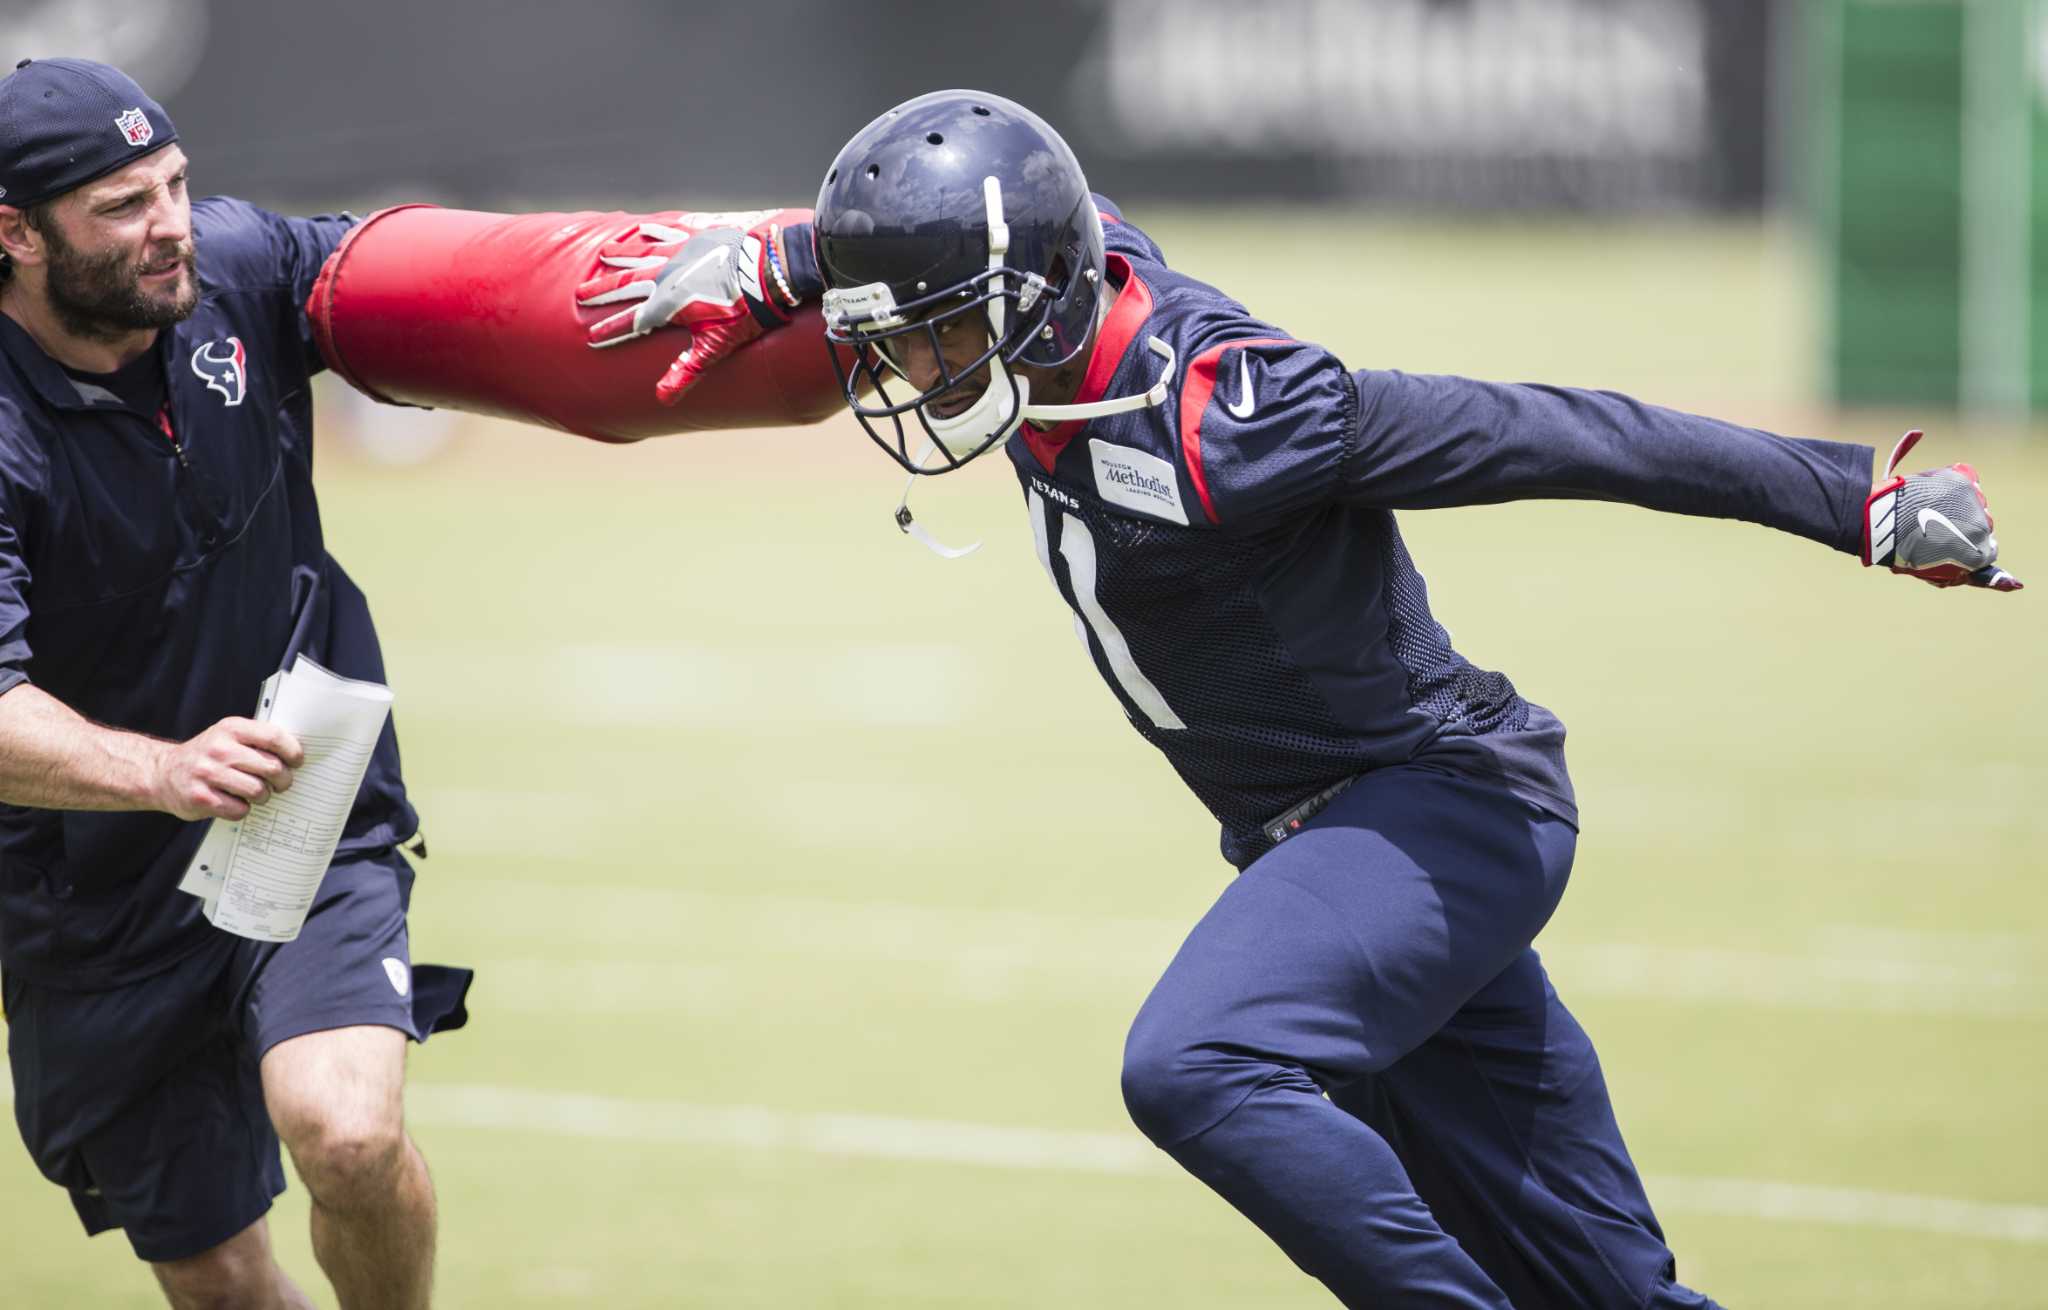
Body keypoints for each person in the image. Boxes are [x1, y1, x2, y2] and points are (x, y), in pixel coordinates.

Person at [578, 90, 2020, 1308]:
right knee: (1619, 1295)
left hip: (1440, 813)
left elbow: (1557, 433)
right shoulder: (1059, 286)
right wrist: (781, 260)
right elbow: (975, 207)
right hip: (1341, 853)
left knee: (1197, 1061)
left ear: (1024, 309)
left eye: (929, 335)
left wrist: (1856, 501)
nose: (900, 369)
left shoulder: (1235, 416)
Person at [0, 58, 468, 1310]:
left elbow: (414, 271)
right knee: (217, 1282)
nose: (169, 227)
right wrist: (161, 771)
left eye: (175, 185)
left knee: (350, 1135)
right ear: (15, 234)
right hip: (89, 894)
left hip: (292, 810)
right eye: (120, 205)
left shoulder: (236, 267)